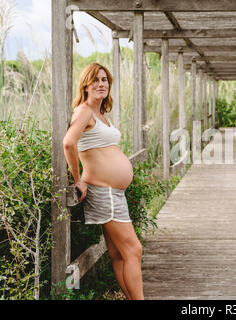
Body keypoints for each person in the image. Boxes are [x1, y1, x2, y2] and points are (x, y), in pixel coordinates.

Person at [63, 62, 144, 300]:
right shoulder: (85, 111)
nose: (101, 84)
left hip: (113, 193)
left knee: (119, 253)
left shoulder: (100, 113)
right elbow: (69, 143)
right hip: (104, 192)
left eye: (105, 79)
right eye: (95, 80)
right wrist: (77, 179)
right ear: (85, 86)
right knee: (134, 250)